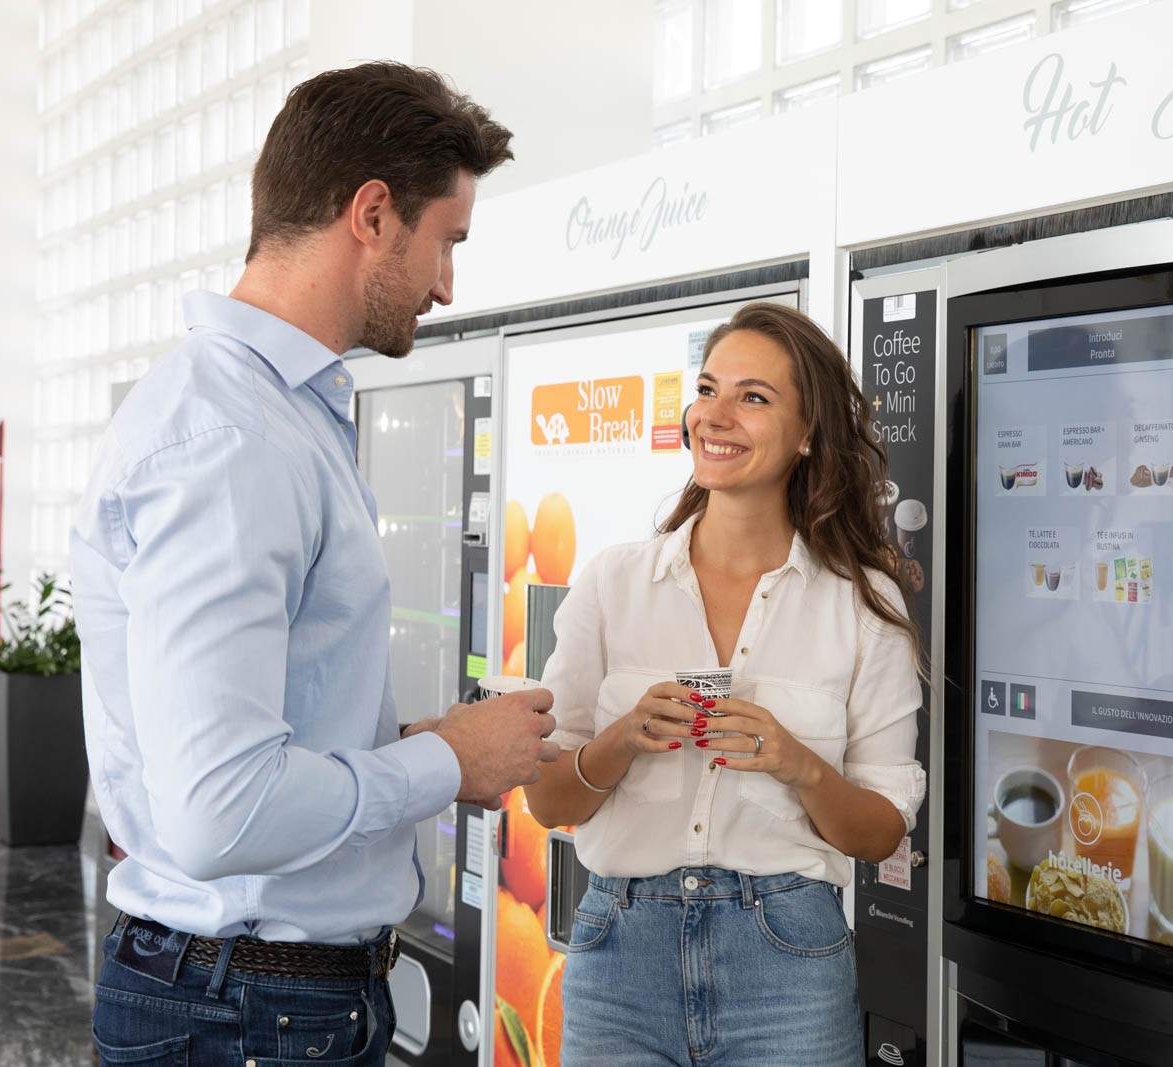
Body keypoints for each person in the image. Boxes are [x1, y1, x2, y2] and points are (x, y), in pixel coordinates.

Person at [70, 62, 559, 1066]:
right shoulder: (231, 439)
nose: (446, 285)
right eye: (445, 242)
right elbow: (219, 810)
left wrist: (424, 742)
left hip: (253, 1000)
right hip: (246, 1009)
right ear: (372, 214)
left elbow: (259, 728)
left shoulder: (270, 415)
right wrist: (446, 762)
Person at [524, 301, 927, 1066]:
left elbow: (880, 833)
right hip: (619, 959)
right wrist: (618, 742)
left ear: (807, 435)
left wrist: (798, 762)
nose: (717, 414)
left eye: (753, 396)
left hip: (786, 963)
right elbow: (548, 801)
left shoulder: (861, 604)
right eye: (709, 389)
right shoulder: (613, 583)